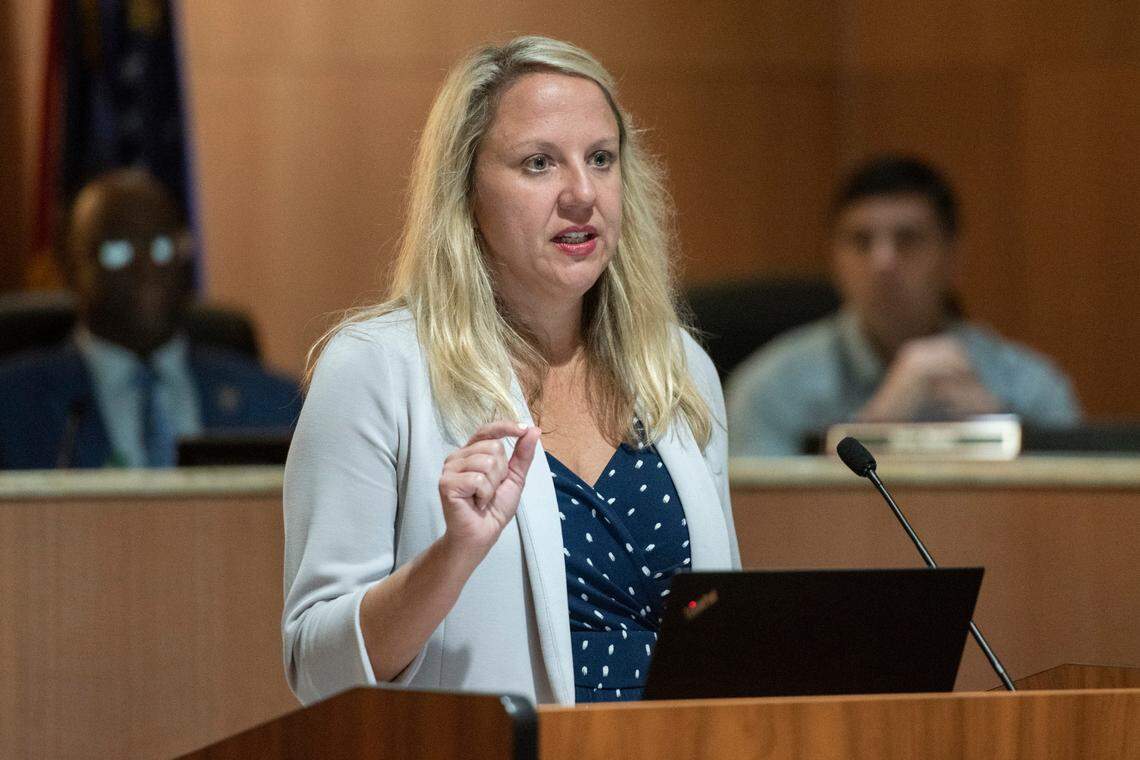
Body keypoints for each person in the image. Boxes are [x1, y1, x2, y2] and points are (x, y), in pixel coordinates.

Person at [282, 36, 739, 707]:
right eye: (539, 164)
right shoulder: (375, 369)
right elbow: (317, 669)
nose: (582, 193)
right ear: (466, 192)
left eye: (601, 158)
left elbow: (723, 632)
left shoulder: (677, 368)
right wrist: (450, 558)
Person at [726, 155, 1081, 456]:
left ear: (953, 258)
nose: (883, 262)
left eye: (908, 239)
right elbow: (763, 513)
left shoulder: (1028, 387)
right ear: (834, 258)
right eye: (861, 241)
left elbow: (1067, 507)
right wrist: (877, 428)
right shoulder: (771, 390)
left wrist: (1000, 431)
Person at [0, 169, 301, 469]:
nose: (147, 269)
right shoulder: (12, 404)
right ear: (70, 265)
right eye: (118, 252)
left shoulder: (279, 404)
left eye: (163, 248)